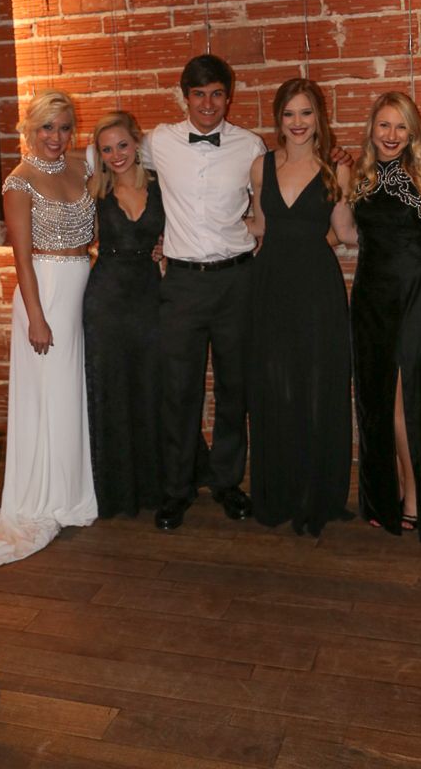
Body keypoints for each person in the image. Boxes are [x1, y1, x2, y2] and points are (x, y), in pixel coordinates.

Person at [0, 90, 98, 569]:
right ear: (30, 128)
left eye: (64, 127)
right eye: (48, 126)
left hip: (81, 289)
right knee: (48, 397)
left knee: (69, 395)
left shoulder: (82, 169)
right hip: (44, 294)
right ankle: (43, 497)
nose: (56, 136)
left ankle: (69, 491)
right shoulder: (19, 182)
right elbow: (22, 258)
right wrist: (36, 317)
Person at [147, 54, 265, 530]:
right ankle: (177, 488)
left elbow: (269, 206)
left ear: (228, 97)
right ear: (185, 97)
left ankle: (227, 481)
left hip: (237, 280)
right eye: (199, 94)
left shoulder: (250, 146)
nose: (208, 104)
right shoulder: (159, 142)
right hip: (181, 284)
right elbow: (110, 160)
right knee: (179, 390)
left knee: (235, 387)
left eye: (217, 94)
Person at [247, 78, 354, 537]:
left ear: (318, 117)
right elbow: (259, 226)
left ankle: (315, 495)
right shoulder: (261, 166)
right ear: (279, 118)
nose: (297, 122)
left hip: (317, 288)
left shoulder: (336, 169)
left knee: (316, 387)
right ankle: (279, 493)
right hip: (269, 285)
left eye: (306, 113)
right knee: (274, 388)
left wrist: (406, 234)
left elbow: (345, 232)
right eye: (289, 113)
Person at [349, 92, 421, 541]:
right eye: (384, 125)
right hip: (369, 294)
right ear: (372, 128)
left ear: (412, 133)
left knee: (407, 401)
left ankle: (415, 499)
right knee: (375, 400)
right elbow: (343, 233)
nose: (391, 134)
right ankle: (384, 497)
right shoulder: (357, 175)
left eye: (401, 126)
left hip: (412, 293)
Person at [83, 111, 165, 517]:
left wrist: (167, 247)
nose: (116, 155)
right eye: (106, 150)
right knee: (111, 387)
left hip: (150, 297)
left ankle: (154, 485)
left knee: (151, 385)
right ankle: (115, 490)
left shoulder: (162, 186)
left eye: (122, 145)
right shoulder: (94, 192)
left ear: (137, 142)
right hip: (107, 302)